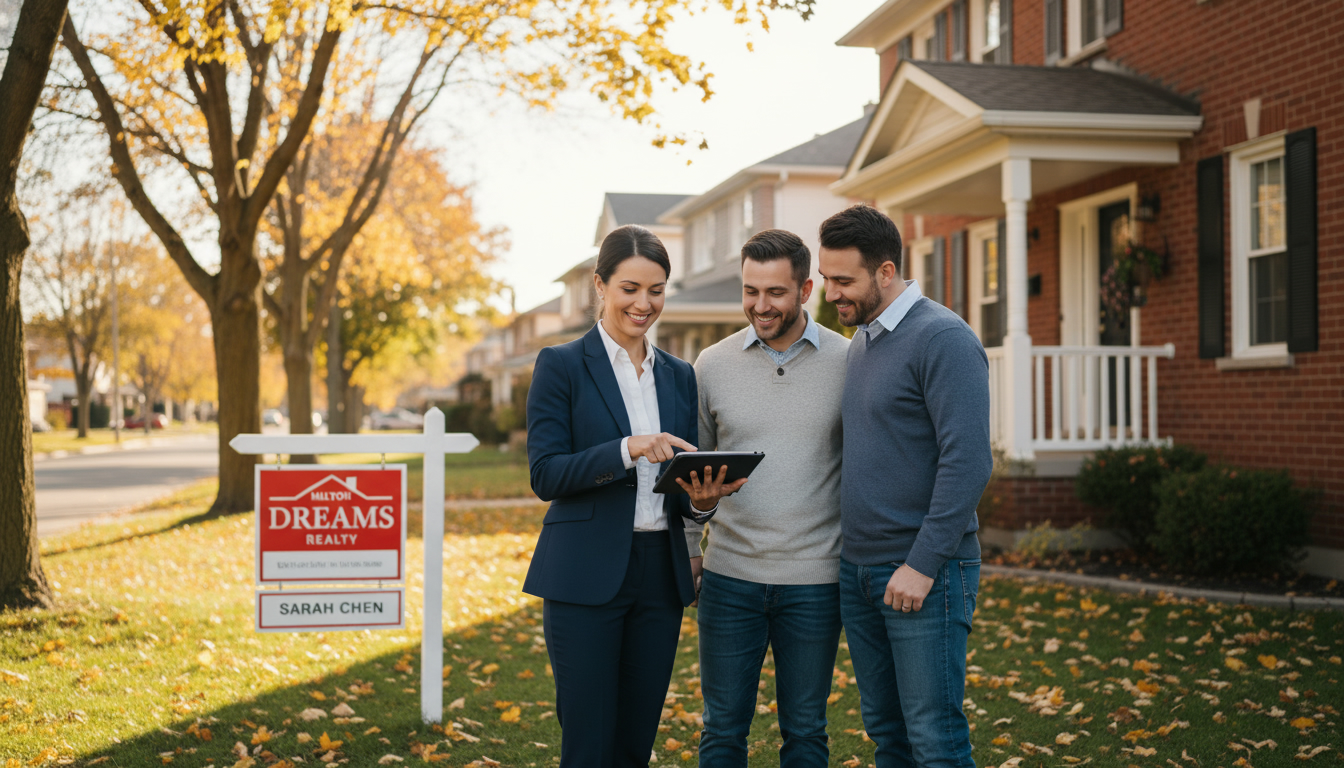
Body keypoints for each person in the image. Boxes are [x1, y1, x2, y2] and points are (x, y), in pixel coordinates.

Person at [522, 224, 745, 768]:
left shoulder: (679, 376)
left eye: (657, 290)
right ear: (600, 285)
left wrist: (704, 498)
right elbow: (546, 474)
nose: (644, 304)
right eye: (629, 288)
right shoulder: (562, 366)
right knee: (588, 739)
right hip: (584, 574)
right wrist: (626, 449)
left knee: (636, 739)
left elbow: (681, 492)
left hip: (658, 577)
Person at [817, 205, 992, 768]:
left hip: (925, 573)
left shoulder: (942, 337)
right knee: (888, 737)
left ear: (886, 272)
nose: (831, 294)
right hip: (860, 573)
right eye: (826, 279)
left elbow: (968, 462)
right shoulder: (865, 341)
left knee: (934, 740)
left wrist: (921, 564)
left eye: (844, 281)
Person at [689, 229, 849, 768]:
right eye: (750, 291)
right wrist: (691, 546)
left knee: (805, 733)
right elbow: (694, 473)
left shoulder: (850, 362)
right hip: (730, 579)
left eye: (775, 292)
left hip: (815, 582)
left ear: (806, 289)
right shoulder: (711, 366)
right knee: (722, 731)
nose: (761, 305)